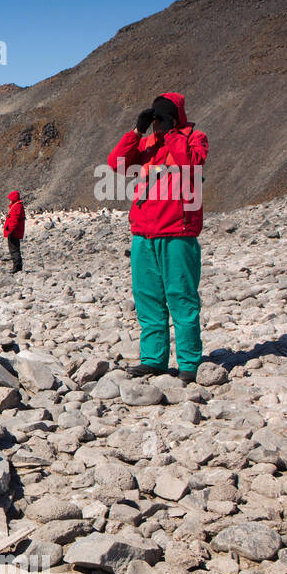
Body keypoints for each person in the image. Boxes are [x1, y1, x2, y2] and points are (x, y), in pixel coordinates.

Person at [106, 91, 209, 382]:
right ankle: (154, 359)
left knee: (181, 297)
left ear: (175, 118)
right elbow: (117, 165)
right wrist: (136, 131)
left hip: (178, 232)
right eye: (155, 118)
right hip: (143, 234)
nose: (157, 125)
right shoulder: (147, 143)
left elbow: (189, 163)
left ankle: (189, 362)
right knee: (148, 298)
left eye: (161, 118)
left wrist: (174, 132)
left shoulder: (193, 137)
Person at [3, 190, 26, 272]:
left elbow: (14, 220)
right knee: (15, 248)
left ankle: (17, 266)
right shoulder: (17, 206)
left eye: (10, 199)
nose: (9, 200)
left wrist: (10, 231)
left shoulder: (16, 206)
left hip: (14, 232)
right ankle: (17, 266)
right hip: (16, 231)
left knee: (14, 249)